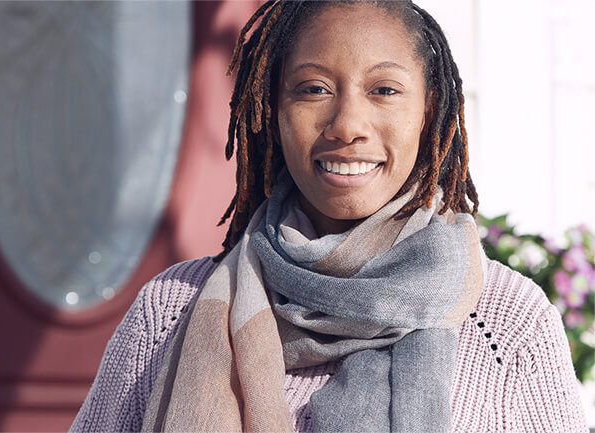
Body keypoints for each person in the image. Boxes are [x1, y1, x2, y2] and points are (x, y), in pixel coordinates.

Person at [71, 1, 587, 431]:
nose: (347, 126)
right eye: (314, 88)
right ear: (271, 109)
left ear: (430, 112)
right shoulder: (168, 313)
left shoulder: (508, 325)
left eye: (384, 90)